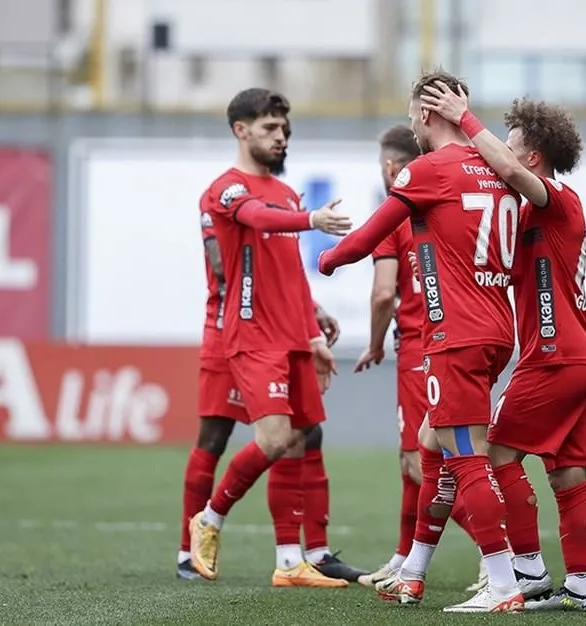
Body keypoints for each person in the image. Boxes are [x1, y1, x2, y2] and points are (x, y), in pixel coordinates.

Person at [318, 69, 525, 614]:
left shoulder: (428, 170)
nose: (411, 126)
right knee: (432, 447)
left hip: (455, 334)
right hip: (497, 326)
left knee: (464, 457)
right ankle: (412, 572)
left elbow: (366, 238)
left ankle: (504, 582)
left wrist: (326, 258)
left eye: (412, 115)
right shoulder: (498, 165)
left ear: (428, 114)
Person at [422, 84, 586, 612]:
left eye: (508, 142)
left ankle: (527, 572)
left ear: (531, 155)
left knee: (496, 453)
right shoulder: (521, 215)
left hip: (555, 355)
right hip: (582, 357)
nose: (494, 148)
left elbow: (516, 177)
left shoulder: (556, 198)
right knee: (567, 473)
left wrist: (465, 119)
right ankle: (580, 589)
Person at [187, 87, 356, 588]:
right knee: (274, 436)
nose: (280, 137)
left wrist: (313, 330)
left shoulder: (285, 192)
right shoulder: (228, 189)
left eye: (284, 129)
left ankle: (289, 563)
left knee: (298, 439)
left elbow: (289, 275)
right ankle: (209, 519)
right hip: (252, 335)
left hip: (291, 336)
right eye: (268, 129)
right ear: (241, 131)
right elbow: (256, 218)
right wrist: (312, 220)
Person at [354, 124, 481, 589]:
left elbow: (383, 293)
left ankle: (499, 553)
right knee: (426, 461)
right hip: (465, 340)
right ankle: (405, 556)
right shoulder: (449, 206)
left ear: (391, 168)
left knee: (420, 459)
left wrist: (374, 343)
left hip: (420, 350)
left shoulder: (394, 216)